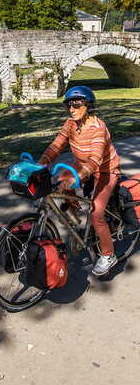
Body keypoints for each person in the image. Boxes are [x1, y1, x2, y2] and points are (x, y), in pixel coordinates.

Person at [38, 85, 121, 276]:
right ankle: (75, 216)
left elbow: (95, 160)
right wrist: (40, 164)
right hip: (82, 166)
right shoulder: (70, 124)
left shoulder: (98, 127)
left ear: (88, 105)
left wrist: (79, 177)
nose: (72, 109)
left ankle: (109, 255)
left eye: (76, 104)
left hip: (106, 171)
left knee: (96, 214)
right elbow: (57, 145)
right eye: (69, 105)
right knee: (60, 181)